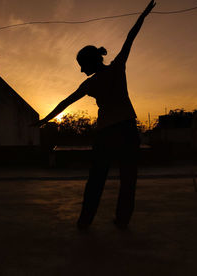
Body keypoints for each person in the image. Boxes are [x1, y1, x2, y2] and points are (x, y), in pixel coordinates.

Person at [33, 0, 156, 229]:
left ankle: (85, 222)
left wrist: (45, 120)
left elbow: (65, 103)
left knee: (97, 179)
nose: (81, 70)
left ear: (90, 61)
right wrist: (144, 14)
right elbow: (131, 37)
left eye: (81, 64)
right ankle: (121, 221)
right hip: (126, 130)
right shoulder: (116, 68)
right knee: (128, 179)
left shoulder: (93, 82)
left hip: (108, 134)